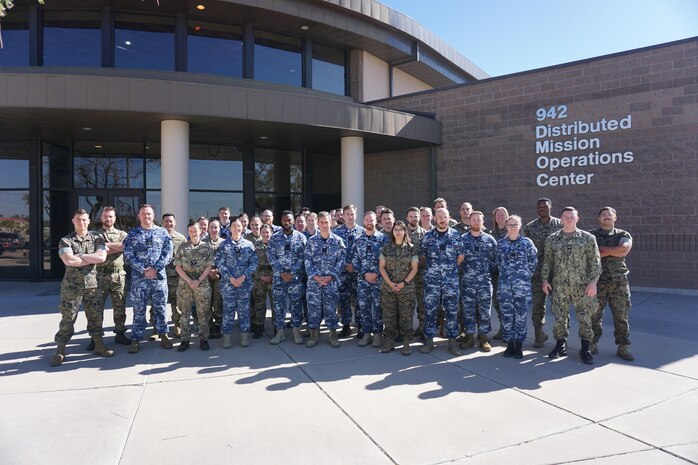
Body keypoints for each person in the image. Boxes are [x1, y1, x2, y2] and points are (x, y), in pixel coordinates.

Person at [50, 209, 112, 366]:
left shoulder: (97, 238)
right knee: (68, 318)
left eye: (84, 220)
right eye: (78, 219)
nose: (81, 222)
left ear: (89, 221)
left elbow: (102, 257)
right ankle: (60, 350)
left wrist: (82, 256)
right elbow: (69, 261)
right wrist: (90, 259)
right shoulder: (66, 240)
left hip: (93, 286)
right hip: (72, 287)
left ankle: (99, 345)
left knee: (95, 317)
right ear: (73, 220)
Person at [542, 207, 601, 364]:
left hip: (582, 285)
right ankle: (560, 345)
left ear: (577, 218)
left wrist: (593, 282)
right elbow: (548, 261)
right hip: (559, 285)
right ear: (560, 219)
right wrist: (545, 280)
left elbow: (595, 262)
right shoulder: (552, 239)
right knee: (560, 316)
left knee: (585, 317)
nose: (569, 219)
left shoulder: (588, 238)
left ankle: (585, 348)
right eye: (566, 216)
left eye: (572, 216)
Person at [123, 204, 174, 354]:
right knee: (139, 310)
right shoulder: (132, 235)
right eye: (143, 214)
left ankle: (163, 334)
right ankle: (136, 338)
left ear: (153, 216)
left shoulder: (162, 232)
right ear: (139, 216)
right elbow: (128, 256)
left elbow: (168, 253)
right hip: (140, 280)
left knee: (161, 307)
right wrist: (144, 269)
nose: (146, 217)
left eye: (149, 214)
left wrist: (155, 268)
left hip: (158, 278)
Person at [590, 207, 634, 361]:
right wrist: (613, 250)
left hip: (619, 282)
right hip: (597, 281)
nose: (606, 217)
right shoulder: (591, 235)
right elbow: (588, 254)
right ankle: (592, 344)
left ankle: (623, 347)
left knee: (621, 316)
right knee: (594, 315)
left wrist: (601, 250)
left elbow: (623, 250)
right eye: (603, 215)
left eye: (610, 215)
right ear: (599, 218)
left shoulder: (623, 234)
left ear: (615, 218)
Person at [419, 208, 464, 355]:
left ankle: (452, 341)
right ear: (434, 219)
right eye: (439, 217)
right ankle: (429, 340)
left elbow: (461, 256)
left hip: (450, 281)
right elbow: (423, 256)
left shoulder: (456, 236)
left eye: (444, 216)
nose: (442, 219)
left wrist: (449, 269)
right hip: (432, 281)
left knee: (451, 311)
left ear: (449, 217)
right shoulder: (428, 236)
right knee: (430, 310)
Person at [496, 215, 538, 359]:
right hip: (505, 286)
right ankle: (509, 344)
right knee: (507, 315)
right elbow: (497, 262)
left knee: (520, 315)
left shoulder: (527, 243)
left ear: (520, 226)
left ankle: (519, 345)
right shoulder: (501, 244)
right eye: (510, 224)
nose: (513, 227)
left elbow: (533, 261)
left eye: (515, 224)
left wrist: (524, 276)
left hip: (522, 287)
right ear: (506, 226)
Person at [524, 198, 562, 348]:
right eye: (539, 207)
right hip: (537, 274)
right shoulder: (530, 227)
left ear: (550, 208)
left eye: (545, 206)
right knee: (538, 305)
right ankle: (539, 335)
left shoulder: (560, 225)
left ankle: (561, 338)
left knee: (559, 306)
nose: (542, 209)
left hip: (557, 273)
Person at [304, 211, 346, 348]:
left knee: (331, 308)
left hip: (331, 282)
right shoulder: (311, 241)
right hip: (314, 282)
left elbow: (341, 260)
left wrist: (331, 276)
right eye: (321, 222)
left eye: (326, 222)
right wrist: (315, 276)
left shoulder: (337, 241)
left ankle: (333, 334)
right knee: (313, 308)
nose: (324, 225)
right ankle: (313, 334)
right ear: (317, 223)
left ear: (331, 222)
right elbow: (307, 260)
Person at [215, 216, 258, 348]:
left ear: (242, 227)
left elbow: (253, 263)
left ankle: (244, 336)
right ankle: (227, 336)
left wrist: (243, 277)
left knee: (244, 311)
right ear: (230, 228)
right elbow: (219, 263)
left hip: (244, 284)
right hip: (229, 284)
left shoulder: (248, 245)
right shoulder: (223, 245)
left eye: (239, 226)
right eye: (234, 226)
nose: (237, 228)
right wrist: (231, 278)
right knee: (228, 310)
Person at [459, 211, 498, 352]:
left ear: (483, 222)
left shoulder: (490, 240)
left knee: (485, 311)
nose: (476, 222)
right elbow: (457, 260)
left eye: (478, 220)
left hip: (484, 282)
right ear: (469, 222)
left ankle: (483, 337)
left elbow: (496, 260)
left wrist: (486, 271)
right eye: (473, 220)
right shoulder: (462, 239)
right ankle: (469, 336)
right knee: (468, 310)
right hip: (467, 282)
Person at [267, 211, 307, 344]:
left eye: (289, 220)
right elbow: (271, 256)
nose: (286, 222)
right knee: (279, 306)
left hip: (295, 279)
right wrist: (282, 272)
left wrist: (292, 273)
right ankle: (280, 333)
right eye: (284, 220)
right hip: (279, 279)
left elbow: (303, 257)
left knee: (296, 305)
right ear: (281, 221)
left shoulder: (301, 238)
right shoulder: (275, 237)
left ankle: (296, 331)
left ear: (293, 221)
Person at [379, 221, 418, 355]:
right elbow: (381, 267)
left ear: (405, 232)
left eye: (401, 229)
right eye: (396, 229)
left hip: (406, 288)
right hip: (388, 288)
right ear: (392, 232)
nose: (398, 232)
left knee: (406, 315)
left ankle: (406, 342)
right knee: (389, 315)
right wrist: (390, 283)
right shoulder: (386, 248)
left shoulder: (411, 248)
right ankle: (389, 340)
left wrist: (404, 283)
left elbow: (414, 268)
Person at [174, 222, 214, 351]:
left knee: (203, 313)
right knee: (184, 313)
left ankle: (203, 339)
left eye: (195, 230)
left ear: (200, 231)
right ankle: (184, 339)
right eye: (190, 230)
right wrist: (189, 281)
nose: (193, 232)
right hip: (185, 284)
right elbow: (178, 267)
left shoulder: (206, 247)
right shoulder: (182, 247)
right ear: (188, 232)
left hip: (202, 283)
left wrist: (198, 280)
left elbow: (209, 266)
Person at [94, 206, 130, 347]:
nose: (108, 219)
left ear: (115, 218)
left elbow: (124, 247)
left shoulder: (122, 234)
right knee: (96, 308)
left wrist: (104, 246)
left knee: (120, 306)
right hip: (99, 275)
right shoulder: (94, 235)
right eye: (105, 216)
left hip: (118, 275)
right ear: (101, 218)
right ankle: (95, 337)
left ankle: (120, 333)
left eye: (110, 216)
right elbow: (95, 251)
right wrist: (113, 247)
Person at [352, 211, 388, 348]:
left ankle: (378, 334)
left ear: (376, 221)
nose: (369, 222)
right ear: (363, 222)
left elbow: (387, 260)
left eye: (371, 220)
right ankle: (367, 333)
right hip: (363, 280)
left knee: (378, 307)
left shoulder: (383, 239)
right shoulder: (358, 240)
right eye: (366, 220)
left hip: (378, 280)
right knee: (364, 307)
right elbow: (355, 261)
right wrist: (364, 274)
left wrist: (376, 274)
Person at [333, 204, 365, 337]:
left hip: (358, 272)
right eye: (347, 214)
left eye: (352, 214)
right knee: (343, 299)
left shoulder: (363, 232)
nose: (350, 217)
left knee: (359, 299)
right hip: (343, 272)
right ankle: (346, 325)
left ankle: (360, 326)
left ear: (355, 215)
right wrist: (345, 265)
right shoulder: (336, 232)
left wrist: (354, 265)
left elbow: (365, 255)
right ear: (343, 216)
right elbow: (335, 254)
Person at [162, 213, 187, 338]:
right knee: (157, 303)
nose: (169, 224)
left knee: (176, 303)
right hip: (160, 276)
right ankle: (157, 328)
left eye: (171, 221)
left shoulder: (181, 238)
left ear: (175, 223)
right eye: (166, 221)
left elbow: (186, 257)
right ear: (162, 223)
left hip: (176, 276)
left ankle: (177, 325)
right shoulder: (157, 236)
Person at [406, 207, 427, 340]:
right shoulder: (402, 232)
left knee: (422, 304)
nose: (414, 218)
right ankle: (406, 331)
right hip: (406, 276)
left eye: (416, 216)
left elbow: (426, 254)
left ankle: (422, 329)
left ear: (419, 218)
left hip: (420, 275)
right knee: (407, 305)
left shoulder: (425, 234)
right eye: (411, 216)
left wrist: (417, 264)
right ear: (407, 218)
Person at [251, 224, 274, 339]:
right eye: (263, 232)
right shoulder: (255, 246)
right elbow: (252, 264)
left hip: (273, 279)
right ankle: (258, 328)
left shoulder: (275, 245)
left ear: (271, 233)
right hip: (259, 280)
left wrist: (272, 276)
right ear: (260, 233)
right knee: (259, 304)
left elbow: (280, 262)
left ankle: (276, 327)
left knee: (275, 304)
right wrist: (260, 276)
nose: (266, 234)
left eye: (268, 232)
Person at [490, 206, 509, 339]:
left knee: (509, 302)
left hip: (509, 275)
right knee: (497, 301)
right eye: (498, 215)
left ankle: (510, 330)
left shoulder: (513, 231)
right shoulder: (491, 233)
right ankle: (503, 327)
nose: (500, 217)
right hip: (495, 275)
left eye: (503, 214)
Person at [204, 219, 225, 339]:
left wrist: (218, 271)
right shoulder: (202, 243)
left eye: (216, 227)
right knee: (207, 302)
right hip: (206, 277)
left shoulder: (224, 243)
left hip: (219, 277)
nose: (214, 229)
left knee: (218, 302)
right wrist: (209, 272)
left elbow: (228, 260)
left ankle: (218, 326)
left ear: (219, 229)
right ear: (208, 228)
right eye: (211, 227)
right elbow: (200, 262)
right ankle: (210, 326)